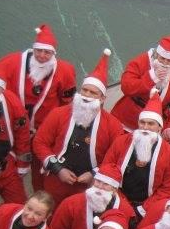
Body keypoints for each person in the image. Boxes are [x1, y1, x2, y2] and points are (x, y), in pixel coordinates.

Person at [33, 49, 124, 205]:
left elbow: (116, 158)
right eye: (85, 90)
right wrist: (57, 169)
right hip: (56, 181)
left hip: (88, 186)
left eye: (93, 93)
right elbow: (40, 143)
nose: (87, 95)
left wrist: (94, 174)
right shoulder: (59, 114)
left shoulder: (113, 126)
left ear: (103, 98)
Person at [100, 92, 170, 218]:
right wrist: (119, 200)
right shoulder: (121, 142)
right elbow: (107, 168)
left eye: (150, 124)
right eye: (142, 122)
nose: (145, 127)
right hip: (115, 196)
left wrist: (143, 209)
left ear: (159, 128)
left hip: (146, 206)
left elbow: (168, 187)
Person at [0, 24, 76, 133]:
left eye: (47, 52)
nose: (42, 56)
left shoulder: (65, 71)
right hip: (14, 119)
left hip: (44, 124)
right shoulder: (12, 61)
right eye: (38, 50)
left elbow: (66, 100)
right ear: (33, 49)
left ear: (53, 53)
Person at [48, 164, 135, 229]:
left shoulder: (126, 211)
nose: (100, 187)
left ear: (114, 190)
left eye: (106, 184)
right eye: (98, 181)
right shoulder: (71, 203)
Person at [0, 70, 32, 203]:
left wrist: (22, 165)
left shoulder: (11, 101)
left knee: (19, 206)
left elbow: (22, 135)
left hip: (7, 166)